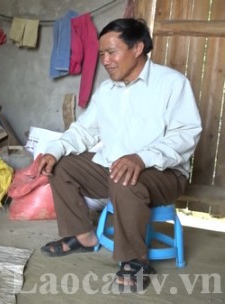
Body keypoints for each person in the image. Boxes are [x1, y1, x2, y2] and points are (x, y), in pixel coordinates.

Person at [37, 18, 202, 291]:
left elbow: (186, 134)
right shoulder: (107, 91)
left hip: (164, 173)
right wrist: (54, 151)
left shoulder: (171, 83)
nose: (106, 60)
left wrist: (142, 158)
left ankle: (136, 259)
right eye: (102, 54)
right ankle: (84, 236)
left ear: (137, 48)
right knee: (62, 166)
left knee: (126, 177)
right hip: (112, 169)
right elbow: (84, 132)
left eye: (112, 52)